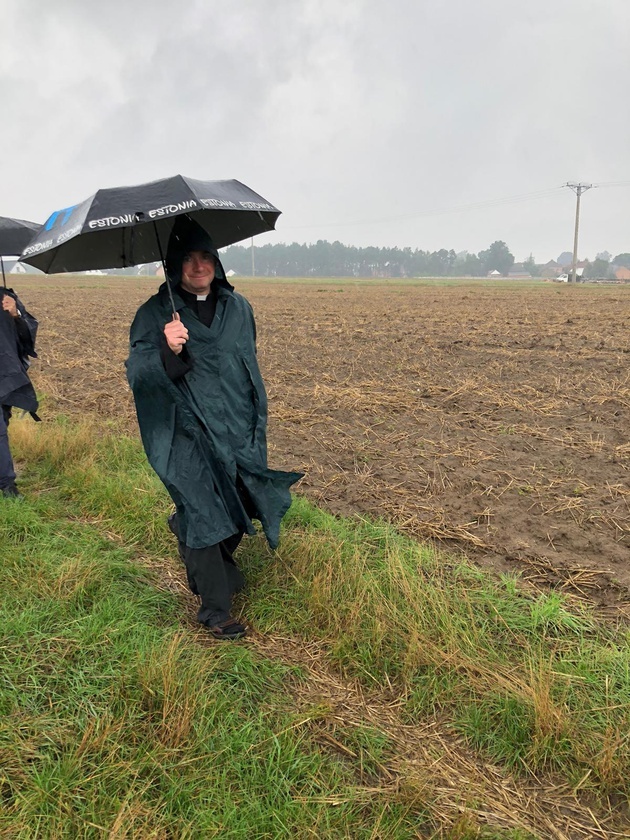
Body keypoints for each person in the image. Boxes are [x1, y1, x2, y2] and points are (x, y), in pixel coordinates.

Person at [126, 216, 302, 640]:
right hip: (186, 433)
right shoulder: (155, 314)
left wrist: (254, 419)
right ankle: (215, 610)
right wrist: (167, 351)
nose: (198, 266)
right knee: (206, 512)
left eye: (205, 256)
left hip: (239, 427)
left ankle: (192, 542)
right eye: (188, 258)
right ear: (174, 264)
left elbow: (248, 364)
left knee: (239, 506)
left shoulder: (239, 309)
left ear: (217, 262)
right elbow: (138, 374)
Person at [0, 286, 39, 498]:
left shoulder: (6, 298)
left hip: (4, 375)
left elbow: (26, 341)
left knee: (1, 425)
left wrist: (15, 314)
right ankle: (7, 485)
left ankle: (6, 483)